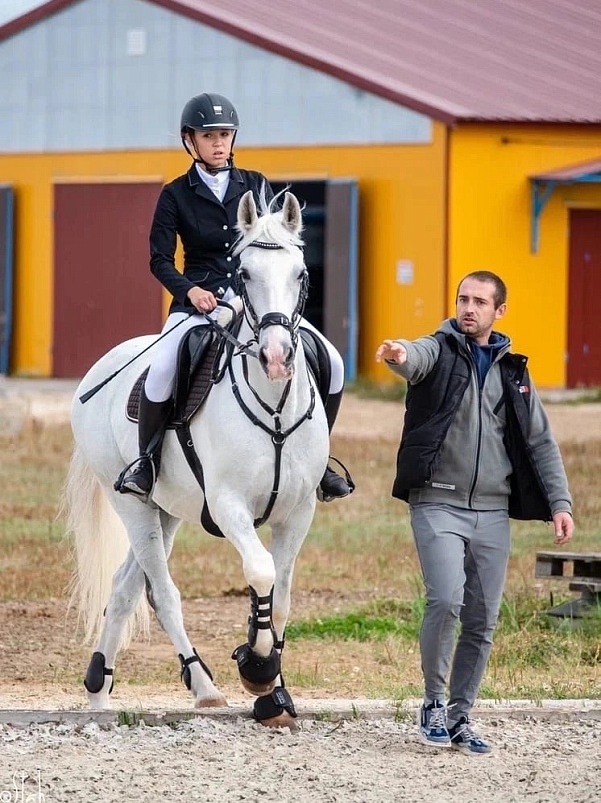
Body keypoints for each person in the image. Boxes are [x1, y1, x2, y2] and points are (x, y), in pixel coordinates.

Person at [115, 92, 353, 504]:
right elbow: (158, 259)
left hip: (260, 302)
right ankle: (146, 461)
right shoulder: (175, 195)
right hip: (198, 303)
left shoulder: (255, 184)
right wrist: (190, 290)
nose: (219, 143)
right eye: (209, 136)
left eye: (225, 134)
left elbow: (273, 240)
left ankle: (320, 462)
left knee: (330, 359)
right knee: (163, 369)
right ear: (190, 141)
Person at [375, 270, 574, 755]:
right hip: (437, 500)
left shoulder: (514, 372)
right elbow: (414, 357)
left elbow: (540, 441)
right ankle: (433, 702)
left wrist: (560, 503)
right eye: (463, 299)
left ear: (498, 311)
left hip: (492, 509)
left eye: (480, 302)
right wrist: (399, 354)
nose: (469, 308)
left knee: (483, 618)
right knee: (445, 600)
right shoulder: (438, 350)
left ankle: (462, 714)